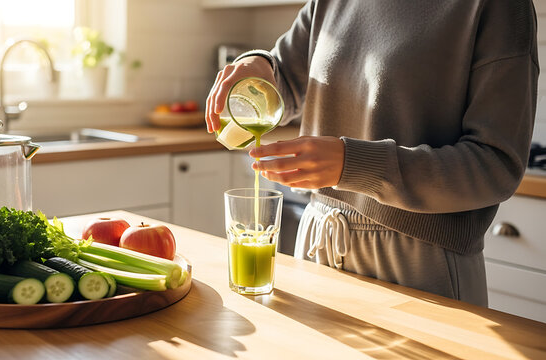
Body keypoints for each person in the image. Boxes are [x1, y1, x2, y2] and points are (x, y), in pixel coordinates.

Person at [205, 0, 539, 306]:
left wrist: (353, 164)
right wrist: (257, 65)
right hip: (317, 246)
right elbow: (283, 75)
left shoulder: (498, 6)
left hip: (420, 264)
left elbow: (495, 166)